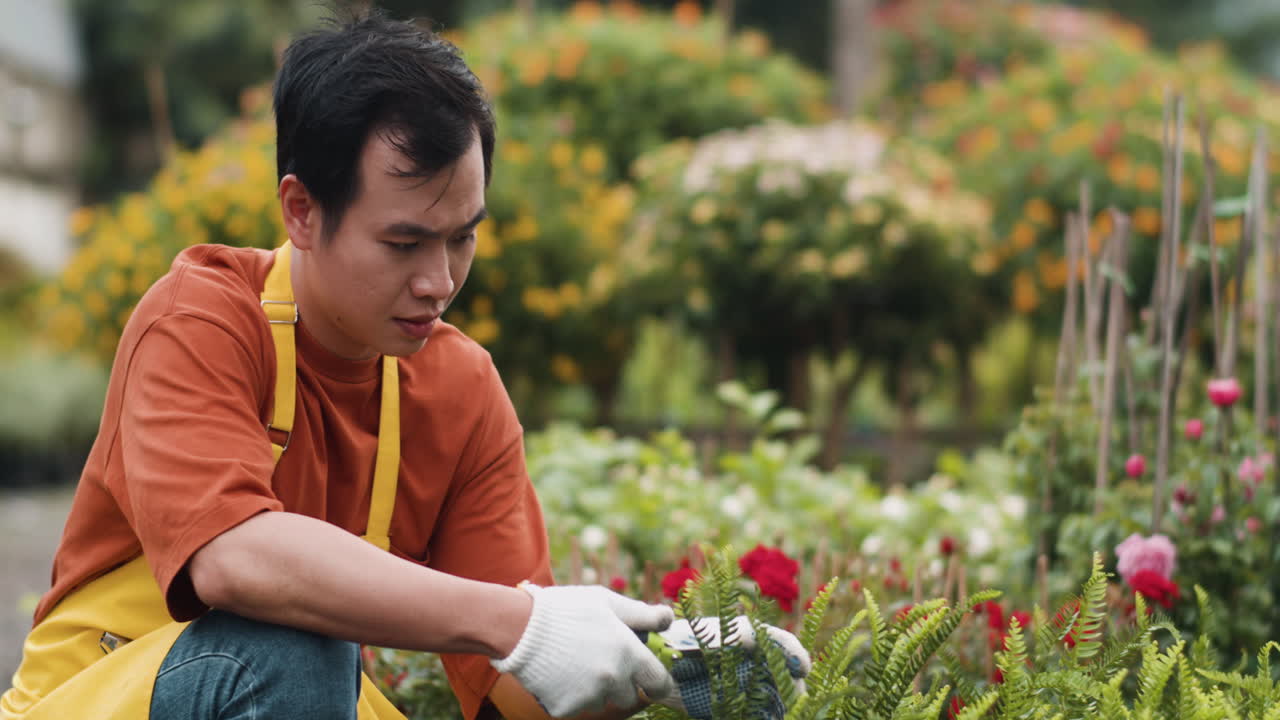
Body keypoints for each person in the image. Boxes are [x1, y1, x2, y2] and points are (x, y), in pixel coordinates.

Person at [1, 9, 685, 720]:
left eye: (462, 238)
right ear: (300, 210)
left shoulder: (461, 389)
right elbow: (233, 558)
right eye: (403, 243)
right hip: (101, 703)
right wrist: (519, 621)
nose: (439, 281)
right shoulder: (200, 322)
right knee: (294, 645)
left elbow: (519, 685)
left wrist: (659, 661)